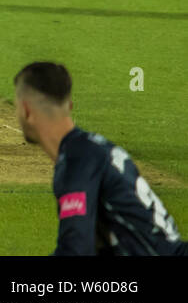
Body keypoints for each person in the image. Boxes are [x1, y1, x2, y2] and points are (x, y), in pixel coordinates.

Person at [15, 62, 185, 255]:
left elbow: (76, 251)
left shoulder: (77, 162)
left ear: (26, 111)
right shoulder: (92, 149)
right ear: (69, 106)